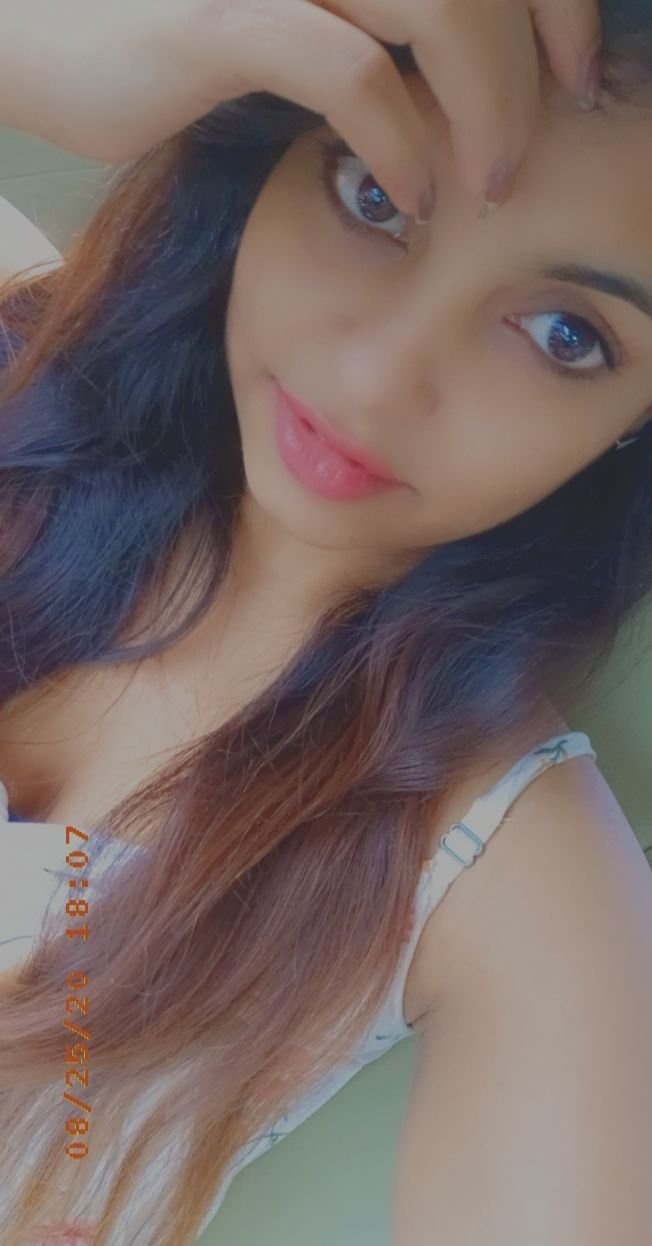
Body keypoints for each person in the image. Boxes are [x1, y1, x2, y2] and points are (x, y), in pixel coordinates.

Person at [0, 1, 651, 1243]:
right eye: (373, 194)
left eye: (566, 334)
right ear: (270, 143)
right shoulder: (16, 355)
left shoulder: (511, 877)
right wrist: (38, 49)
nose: (377, 377)